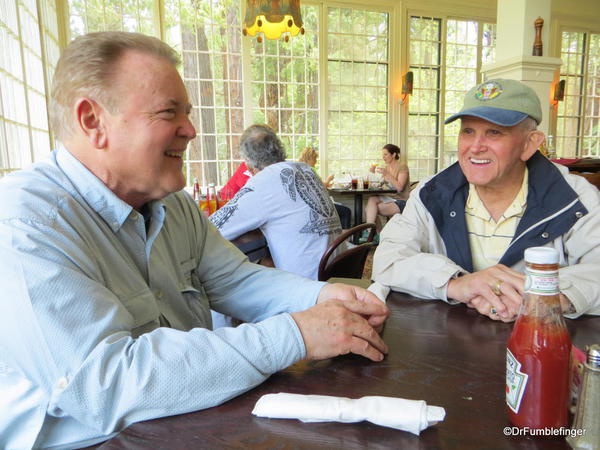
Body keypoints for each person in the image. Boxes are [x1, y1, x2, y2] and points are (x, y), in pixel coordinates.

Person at [0, 32, 389, 449]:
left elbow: (236, 281)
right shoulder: (24, 221)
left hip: (184, 422)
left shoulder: (175, 206)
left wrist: (327, 298)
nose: (191, 130)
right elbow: (105, 385)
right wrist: (292, 335)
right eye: (169, 113)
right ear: (93, 122)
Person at [373, 78, 600, 322]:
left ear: (530, 143)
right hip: (449, 346)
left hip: (540, 345)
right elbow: (387, 260)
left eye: (494, 132)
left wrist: (540, 296)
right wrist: (457, 283)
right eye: (468, 131)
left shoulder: (573, 198)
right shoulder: (432, 193)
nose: (476, 147)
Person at [210, 127, 342, 280]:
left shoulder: (263, 182)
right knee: (265, 261)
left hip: (306, 286)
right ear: (280, 150)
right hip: (336, 275)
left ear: (248, 165)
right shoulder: (306, 169)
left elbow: (211, 228)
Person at [298, 147, 352, 229]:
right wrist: (329, 179)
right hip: (317, 206)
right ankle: (343, 239)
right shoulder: (309, 171)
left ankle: (338, 236)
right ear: (309, 158)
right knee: (346, 211)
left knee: (340, 208)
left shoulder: (301, 169)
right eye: (315, 158)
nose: (316, 161)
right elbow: (321, 185)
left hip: (309, 205)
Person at [365, 144, 410, 231]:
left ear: (393, 155)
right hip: (389, 198)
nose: (383, 157)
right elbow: (381, 184)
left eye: (385, 154)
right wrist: (372, 173)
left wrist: (387, 175)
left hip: (401, 201)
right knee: (372, 199)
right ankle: (373, 234)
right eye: (383, 155)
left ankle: (374, 234)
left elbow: (399, 188)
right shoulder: (387, 168)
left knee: (369, 210)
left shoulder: (402, 167)